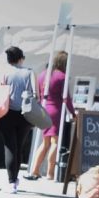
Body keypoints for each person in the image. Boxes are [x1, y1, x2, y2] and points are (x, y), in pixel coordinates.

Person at [0, 46, 36, 193]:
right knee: (19, 145)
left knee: (10, 147)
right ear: (21, 58)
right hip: (25, 113)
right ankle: (15, 179)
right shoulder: (29, 72)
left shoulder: (4, 73)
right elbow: (34, 94)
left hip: (6, 112)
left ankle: (12, 181)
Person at [27, 51, 73, 181]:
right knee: (54, 143)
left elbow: (39, 95)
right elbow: (66, 98)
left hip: (44, 109)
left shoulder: (42, 75)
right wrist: (73, 113)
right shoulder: (62, 76)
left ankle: (35, 170)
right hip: (56, 111)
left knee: (45, 142)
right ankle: (50, 173)